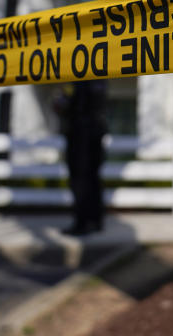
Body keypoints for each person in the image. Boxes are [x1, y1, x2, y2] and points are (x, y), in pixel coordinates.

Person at [54, 80, 107, 235]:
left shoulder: (77, 79)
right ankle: (94, 221)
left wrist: (61, 101)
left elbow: (64, 104)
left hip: (80, 132)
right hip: (94, 129)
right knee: (92, 178)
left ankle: (83, 223)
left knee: (81, 179)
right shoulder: (99, 75)